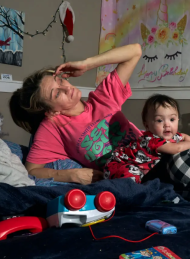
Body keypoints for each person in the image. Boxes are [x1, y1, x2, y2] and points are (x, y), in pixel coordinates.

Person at [10, 44, 143, 185]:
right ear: (51, 111)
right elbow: (32, 170)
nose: (67, 88)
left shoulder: (103, 97)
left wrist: (87, 64)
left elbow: (135, 51)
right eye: (57, 93)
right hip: (128, 178)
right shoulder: (54, 126)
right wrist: (71, 175)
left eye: (60, 81)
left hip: (153, 154)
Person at [104, 94, 190, 203]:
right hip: (121, 164)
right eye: (160, 121)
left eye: (172, 119)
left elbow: (184, 137)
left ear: (178, 119)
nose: (167, 125)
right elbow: (176, 149)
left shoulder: (174, 137)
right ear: (147, 125)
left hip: (151, 170)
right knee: (133, 184)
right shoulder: (151, 139)